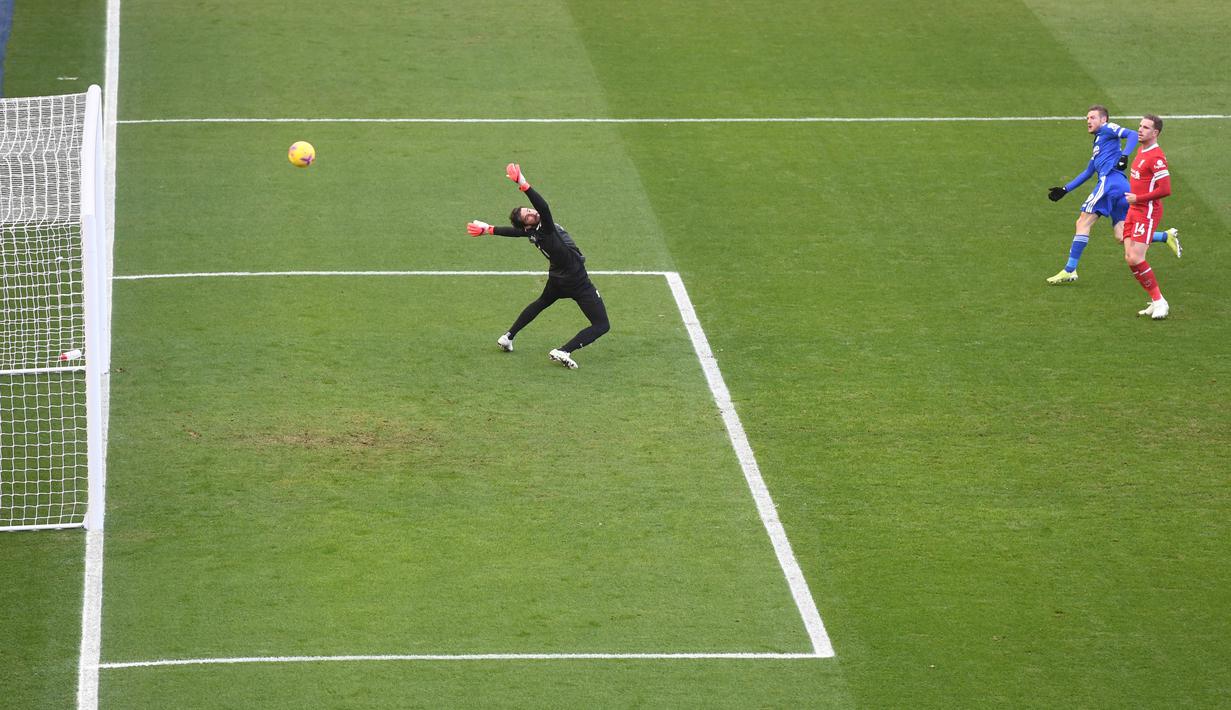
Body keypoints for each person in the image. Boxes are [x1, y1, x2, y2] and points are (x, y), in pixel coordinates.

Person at [466, 163, 609, 369]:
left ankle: (508, 336)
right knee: (602, 325)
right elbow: (544, 206)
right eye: (528, 215)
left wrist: (489, 229)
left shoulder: (531, 232)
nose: (532, 212)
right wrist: (523, 184)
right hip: (576, 281)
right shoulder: (546, 229)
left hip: (558, 278)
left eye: (528, 210)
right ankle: (564, 350)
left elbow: (514, 232)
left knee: (542, 302)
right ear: (528, 224)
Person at [1045, 105, 1138, 284]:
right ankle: (1165, 236)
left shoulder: (1108, 129)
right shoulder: (1098, 142)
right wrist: (1065, 189)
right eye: (1087, 118)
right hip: (1121, 186)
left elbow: (1133, 134)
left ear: (1103, 119)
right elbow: (1088, 172)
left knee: (1083, 221)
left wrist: (1125, 156)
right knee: (1121, 234)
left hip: (1109, 182)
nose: (1088, 121)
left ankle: (1070, 270)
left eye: (1093, 117)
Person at [1121, 114, 1173, 319]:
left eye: (1145, 127)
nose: (1140, 130)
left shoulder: (1156, 157)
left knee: (1136, 257)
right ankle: (1155, 300)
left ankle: (1160, 302)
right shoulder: (1142, 150)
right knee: (1129, 258)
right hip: (1134, 209)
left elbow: (1166, 189)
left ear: (1155, 133)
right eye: (1140, 126)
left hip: (1147, 211)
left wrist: (1138, 198)